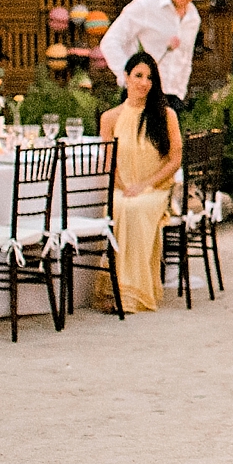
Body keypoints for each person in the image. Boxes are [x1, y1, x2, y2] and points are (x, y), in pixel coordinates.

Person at [94, 52, 182, 313]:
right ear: (126, 77)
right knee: (120, 207)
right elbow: (111, 163)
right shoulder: (110, 118)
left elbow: (174, 160)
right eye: (138, 76)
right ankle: (114, 288)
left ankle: (132, 294)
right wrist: (123, 187)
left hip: (156, 188)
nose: (144, 83)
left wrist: (145, 185)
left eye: (149, 78)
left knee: (134, 210)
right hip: (124, 189)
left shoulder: (165, 115)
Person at [100, 0, 203, 111]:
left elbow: (185, 59)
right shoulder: (144, 7)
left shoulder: (194, 18)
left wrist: (180, 93)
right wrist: (128, 79)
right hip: (141, 97)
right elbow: (109, 42)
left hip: (173, 100)